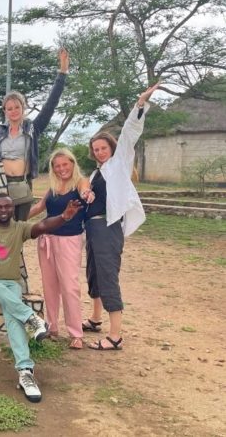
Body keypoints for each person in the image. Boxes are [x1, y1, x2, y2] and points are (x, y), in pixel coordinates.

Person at [0, 185, 82, 403]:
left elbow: (43, 225)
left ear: (13, 209)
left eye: (7, 206)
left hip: (10, 287)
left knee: (13, 314)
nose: (2, 209)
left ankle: (25, 372)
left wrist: (64, 218)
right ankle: (31, 318)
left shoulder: (19, 228)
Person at [83, 83, 159, 351]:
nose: (100, 152)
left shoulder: (119, 164)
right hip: (91, 230)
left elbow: (129, 134)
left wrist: (139, 105)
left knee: (107, 275)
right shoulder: (96, 174)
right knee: (93, 273)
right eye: (96, 149)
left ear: (111, 148)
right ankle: (95, 318)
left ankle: (115, 336)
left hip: (108, 228)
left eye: (103, 148)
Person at [0, 48, 70, 220]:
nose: (13, 111)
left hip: (23, 185)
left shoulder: (33, 129)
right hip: (1, 185)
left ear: (23, 107)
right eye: (9, 108)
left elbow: (51, 104)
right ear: (5, 111)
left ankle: (18, 249)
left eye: (17, 107)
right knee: (1, 229)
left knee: (19, 230)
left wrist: (62, 72)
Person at [27, 148, 95, 350]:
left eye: (65, 164)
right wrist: (15, 221)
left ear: (73, 164)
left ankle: (76, 333)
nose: (61, 169)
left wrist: (87, 194)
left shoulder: (80, 182)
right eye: (57, 166)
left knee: (69, 286)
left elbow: (86, 191)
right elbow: (39, 207)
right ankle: (52, 326)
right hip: (46, 239)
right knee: (49, 285)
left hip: (69, 239)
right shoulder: (54, 186)